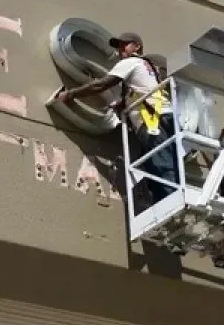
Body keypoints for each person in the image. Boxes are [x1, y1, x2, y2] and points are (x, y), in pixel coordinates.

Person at [56, 32, 179, 205]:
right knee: (159, 165)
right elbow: (144, 90)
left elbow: (102, 84)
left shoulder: (130, 63)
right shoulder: (148, 67)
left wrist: (70, 94)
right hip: (167, 116)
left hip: (152, 121)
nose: (120, 49)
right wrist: (124, 103)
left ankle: (173, 205)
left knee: (162, 165)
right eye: (118, 46)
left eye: (125, 45)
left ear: (137, 47)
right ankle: (167, 203)